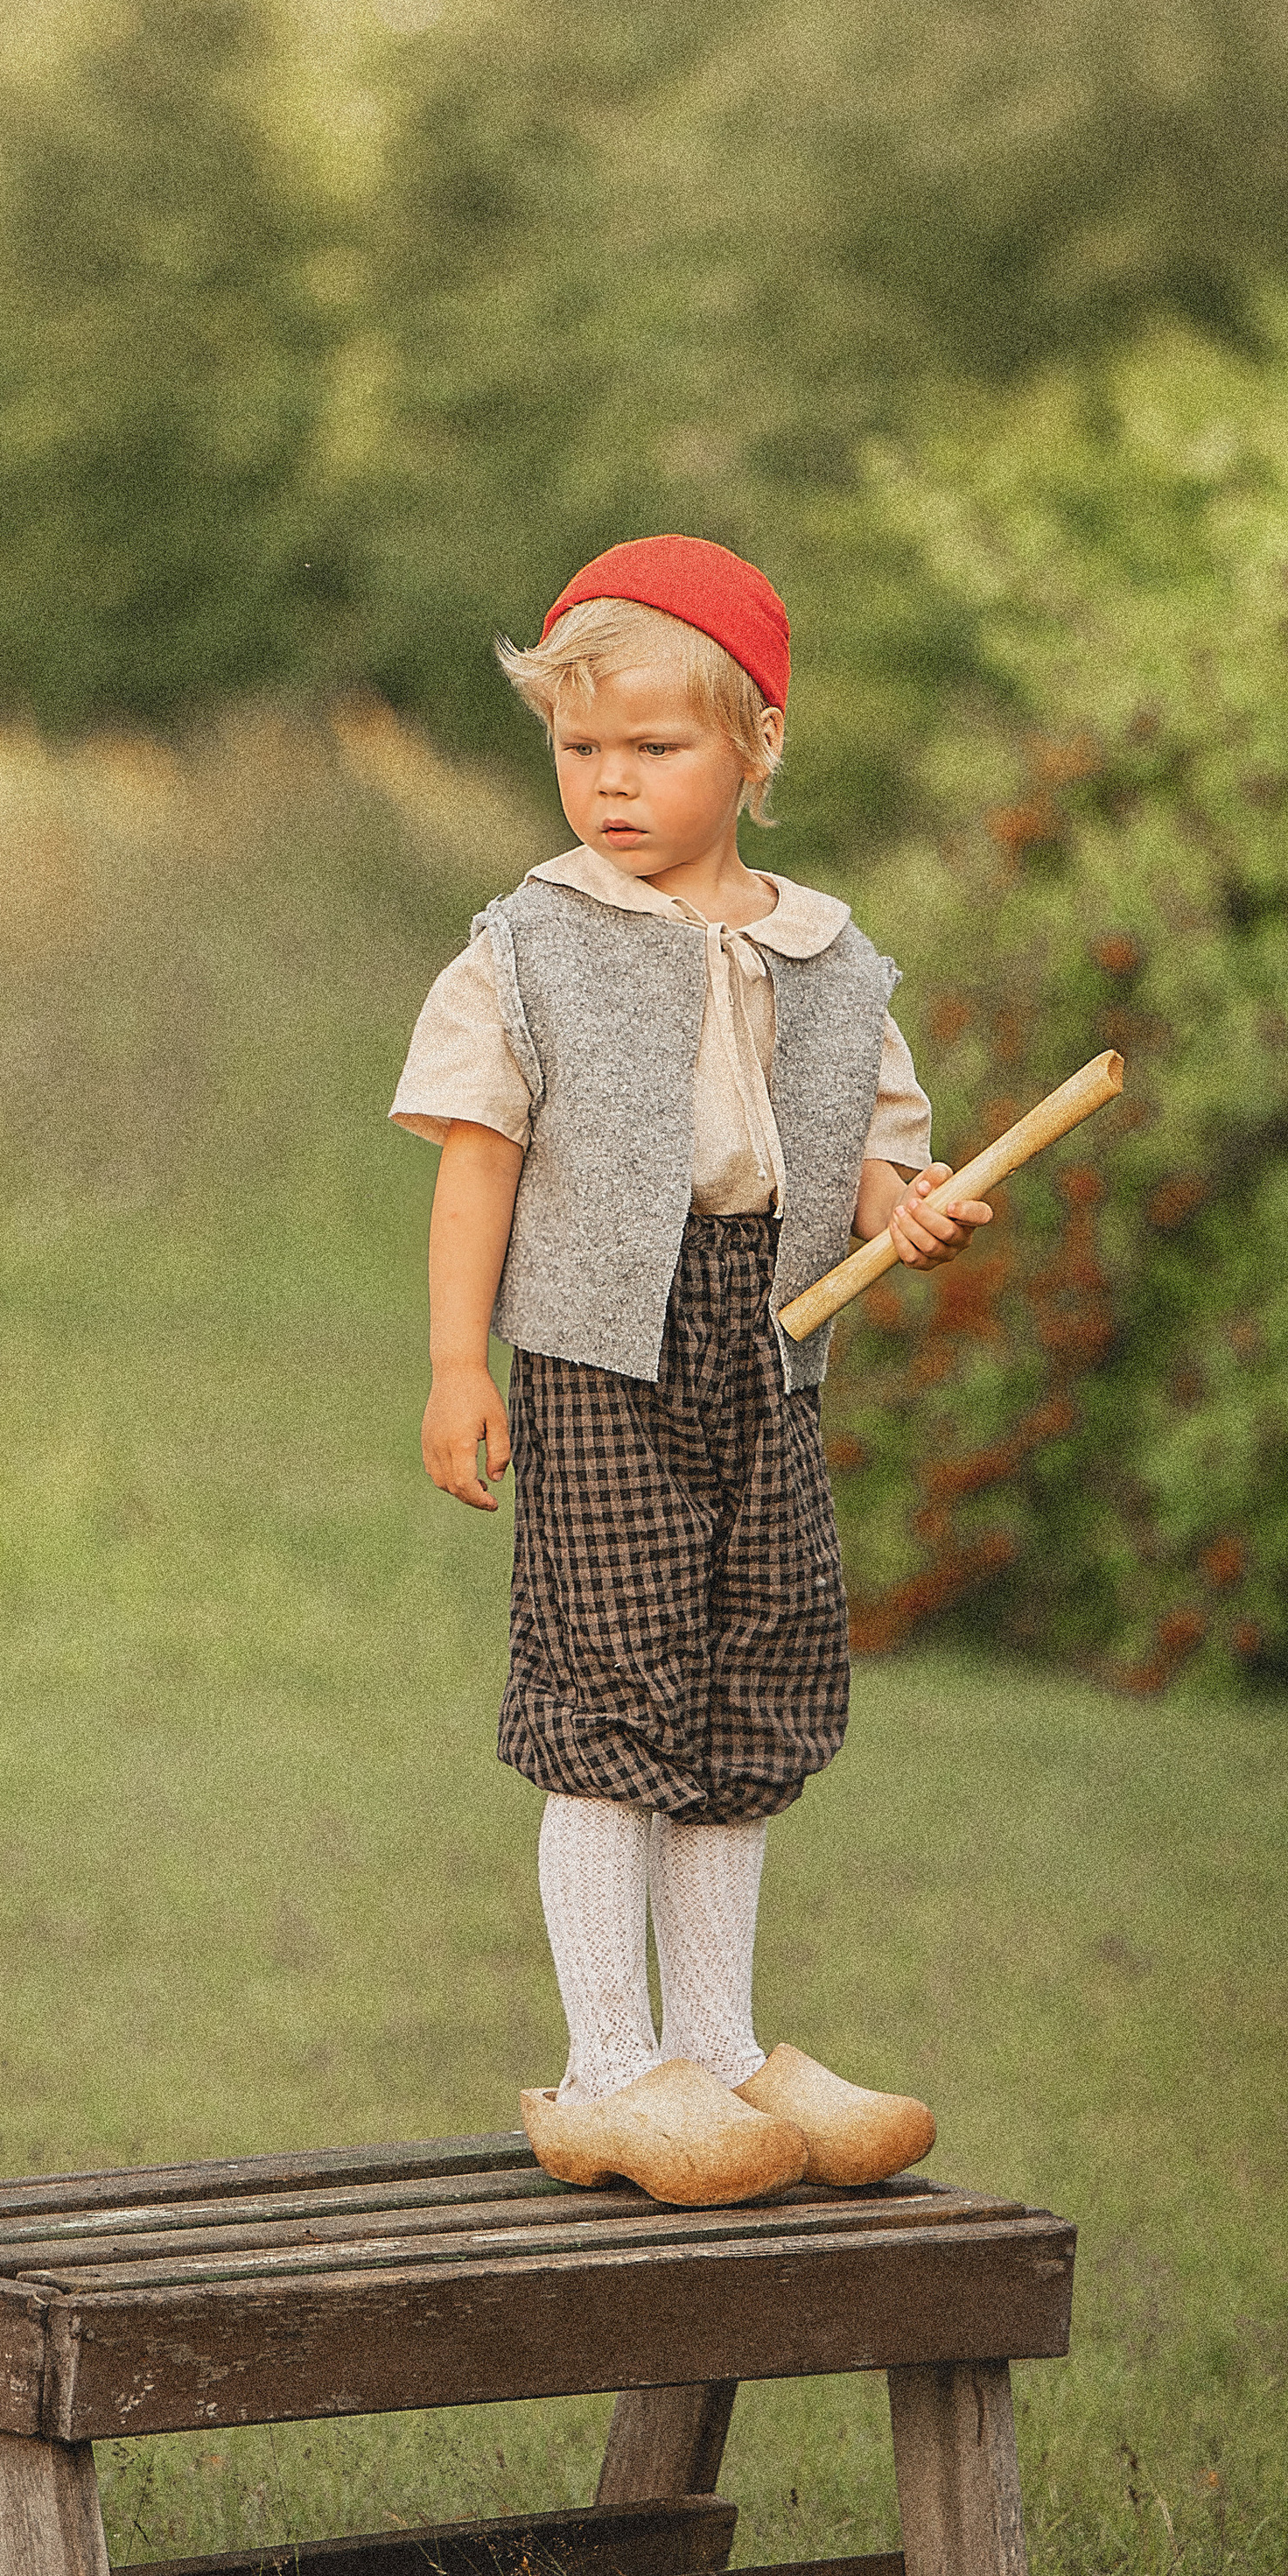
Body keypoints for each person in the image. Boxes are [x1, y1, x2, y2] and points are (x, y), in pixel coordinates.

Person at [390, 535, 989, 2207]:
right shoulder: (530, 943)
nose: (612, 784)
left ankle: (719, 2050)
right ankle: (605, 2065)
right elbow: (477, 1166)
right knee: (611, 1670)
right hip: (597, 1343)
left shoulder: (829, 956)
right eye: (582, 751)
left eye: (654, 749)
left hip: (768, 1346)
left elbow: (863, 1160)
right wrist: (460, 1364)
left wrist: (909, 1209)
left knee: (754, 1658)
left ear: (756, 746)